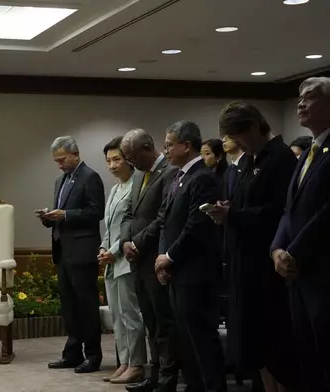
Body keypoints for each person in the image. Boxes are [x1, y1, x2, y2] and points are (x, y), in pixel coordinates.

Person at [207, 102, 298, 392]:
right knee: (251, 343)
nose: (239, 144)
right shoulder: (248, 161)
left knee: (272, 341)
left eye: (240, 136)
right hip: (240, 261)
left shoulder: (280, 158)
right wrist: (227, 210)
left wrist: (233, 215)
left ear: (255, 127)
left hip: (265, 265)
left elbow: (278, 212)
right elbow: (243, 203)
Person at [155, 120, 226, 392]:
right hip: (177, 270)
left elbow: (197, 224)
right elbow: (166, 220)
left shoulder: (203, 177)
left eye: (169, 145)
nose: (166, 150)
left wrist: (169, 256)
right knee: (185, 338)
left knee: (201, 338)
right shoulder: (178, 176)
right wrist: (163, 256)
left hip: (196, 272)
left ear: (186, 146)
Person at [271, 77, 330, 392]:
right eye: (299, 98)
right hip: (297, 272)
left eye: (310, 97)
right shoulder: (310, 152)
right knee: (306, 356)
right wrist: (277, 249)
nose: (301, 103)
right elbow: (289, 210)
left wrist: (295, 250)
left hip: (321, 271)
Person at [37, 136, 105, 374]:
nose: (59, 164)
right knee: (70, 307)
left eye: (62, 159)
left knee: (86, 306)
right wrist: (49, 218)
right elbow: (62, 215)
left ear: (75, 154)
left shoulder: (90, 177)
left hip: (83, 251)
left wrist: (65, 215)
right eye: (56, 161)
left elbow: (97, 212)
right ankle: (73, 353)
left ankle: (93, 356)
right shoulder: (60, 180)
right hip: (63, 251)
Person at [119, 129, 179, 392]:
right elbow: (128, 214)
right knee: (150, 322)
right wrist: (124, 242)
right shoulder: (138, 176)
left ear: (148, 147)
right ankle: (153, 376)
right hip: (137, 259)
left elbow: (163, 216)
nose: (131, 163)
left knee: (163, 321)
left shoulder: (169, 172)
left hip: (156, 257)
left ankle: (168, 377)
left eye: (133, 157)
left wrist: (138, 242)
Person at [99, 137, 146, 384]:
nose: (112, 165)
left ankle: (137, 363)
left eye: (116, 159)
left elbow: (131, 226)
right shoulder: (116, 188)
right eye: (108, 161)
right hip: (111, 260)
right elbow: (110, 226)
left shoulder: (136, 186)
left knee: (130, 315)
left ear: (128, 158)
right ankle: (125, 362)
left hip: (126, 259)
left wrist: (114, 250)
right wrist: (103, 247)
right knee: (117, 315)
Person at [221, 135, 245, 200]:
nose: (223, 140)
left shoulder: (250, 164)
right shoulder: (227, 172)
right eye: (223, 137)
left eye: (228, 136)